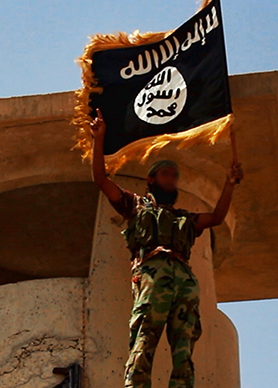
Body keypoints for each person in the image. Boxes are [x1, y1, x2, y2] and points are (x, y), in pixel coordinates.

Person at [89, 109, 243, 388]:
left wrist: (229, 185)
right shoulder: (135, 206)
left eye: (174, 175)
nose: (171, 179)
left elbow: (217, 218)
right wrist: (98, 139)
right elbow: (101, 178)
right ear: (151, 180)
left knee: (184, 348)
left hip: (183, 278)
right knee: (144, 338)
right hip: (152, 273)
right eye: (165, 174)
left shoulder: (185, 218)